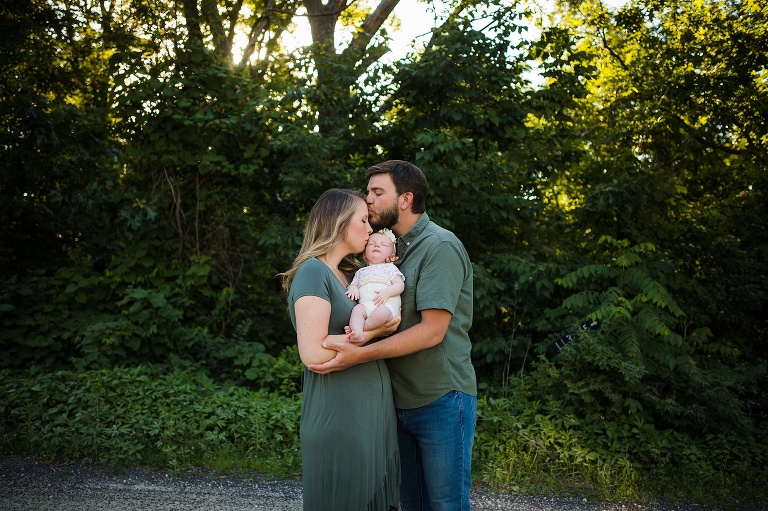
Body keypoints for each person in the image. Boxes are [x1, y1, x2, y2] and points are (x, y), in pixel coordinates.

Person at [308, 161, 478, 511]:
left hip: (440, 398)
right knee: (410, 504)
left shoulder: (439, 246)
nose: (367, 200)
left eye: (377, 192)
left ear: (405, 199)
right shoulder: (385, 250)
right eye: (368, 192)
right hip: (397, 402)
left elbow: (433, 331)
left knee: (445, 504)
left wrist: (359, 354)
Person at [280, 188, 401, 511]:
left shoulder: (350, 276)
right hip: (340, 418)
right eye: (363, 220)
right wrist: (378, 329)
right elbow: (315, 355)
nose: (370, 229)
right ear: (339, 224)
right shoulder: (312, 272)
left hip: (372, 415)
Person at [346, 228, 405, 344]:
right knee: (357, 310)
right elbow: (352, 285)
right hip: (366, 306)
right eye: (372, 244)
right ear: (364, 255)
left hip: (387, 306)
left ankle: (360, 328)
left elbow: (400, 285)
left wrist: (387, 292)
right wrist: (352, 288)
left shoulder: (390, 268)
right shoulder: (360, 272)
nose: (377, 246)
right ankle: (357, 333)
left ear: (392, 257)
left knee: (381, 312)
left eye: (383, 245)